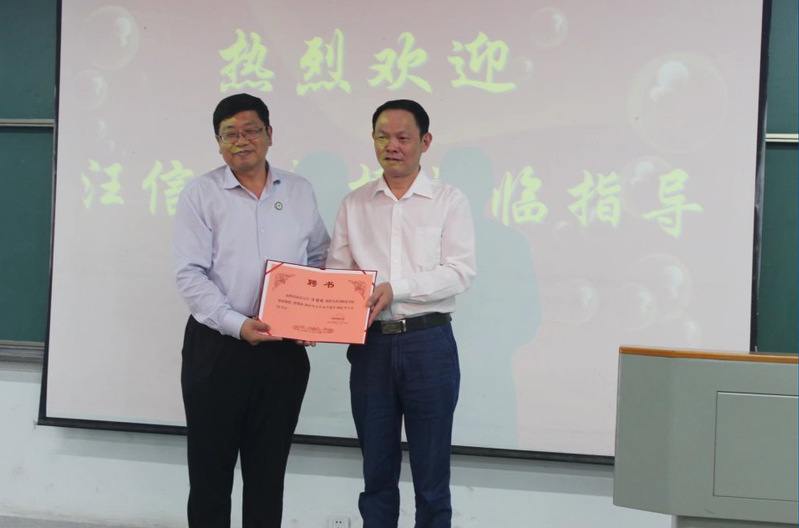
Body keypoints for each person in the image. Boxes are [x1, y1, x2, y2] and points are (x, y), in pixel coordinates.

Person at [172, 93, 330, 527]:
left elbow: (319, 256)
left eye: (251, 131)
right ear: (218, 142)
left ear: (269, 134)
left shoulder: (298, 191)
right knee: (210, 475)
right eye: (230, 134)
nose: (241, 141)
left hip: (282, 352)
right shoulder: (201, 194)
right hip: (217, 349)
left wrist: (313, 314)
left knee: (267, 475)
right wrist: (237, 324)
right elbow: (189, 274)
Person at [326, 99, 476, 528]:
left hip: (428, 343)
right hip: (371, 346)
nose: (391, 146)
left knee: (431, 474)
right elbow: (338, 274)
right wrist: (316, 316)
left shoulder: (449, 201)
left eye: (403, 137)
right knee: (376, 471)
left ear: (425, 142)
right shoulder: (354, 204)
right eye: (382, 137)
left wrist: (398, 288)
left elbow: (460, 272)